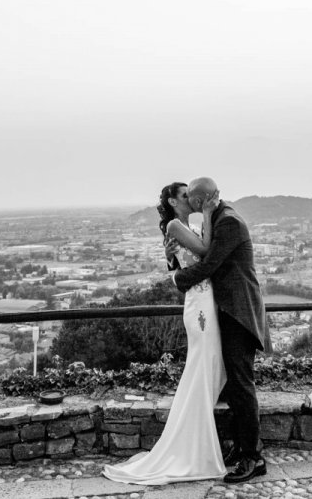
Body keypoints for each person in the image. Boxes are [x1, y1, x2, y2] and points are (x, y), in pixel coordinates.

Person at [103, 181, 225, 485]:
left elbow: (180, 261)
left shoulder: (183, 225)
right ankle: (193, 447)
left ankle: (195, 438)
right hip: (199, 304)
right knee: (202, 364)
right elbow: (207, 251)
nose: (191, 199)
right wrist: (209, 213)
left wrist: (172, 259)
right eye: (185, 196)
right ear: (173, 201)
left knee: (208, 366)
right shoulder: (175, 224)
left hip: (205, 299)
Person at [169, 177, 267, 484]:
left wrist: (176, 279)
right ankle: (242, 448)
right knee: (235, 386)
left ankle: (254, 457)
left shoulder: (228, 223)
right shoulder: (223, 216)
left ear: (199, 203)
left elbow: (210, 263)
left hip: (238, 313)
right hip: (227, 311)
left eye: (192, 199)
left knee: (241, 383)